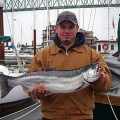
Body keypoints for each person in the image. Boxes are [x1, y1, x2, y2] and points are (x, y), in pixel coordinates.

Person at [28, 11, 112, 120]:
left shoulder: (93, 56)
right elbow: (31, 92)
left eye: (71, 27)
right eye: (63, 27)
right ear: (57, 28)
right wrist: (39, 92)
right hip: (51, 117)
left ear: (77, 28)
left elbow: (106, 86)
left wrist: (99, 78)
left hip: (83, 117)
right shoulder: (42, 56)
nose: (67, 31)